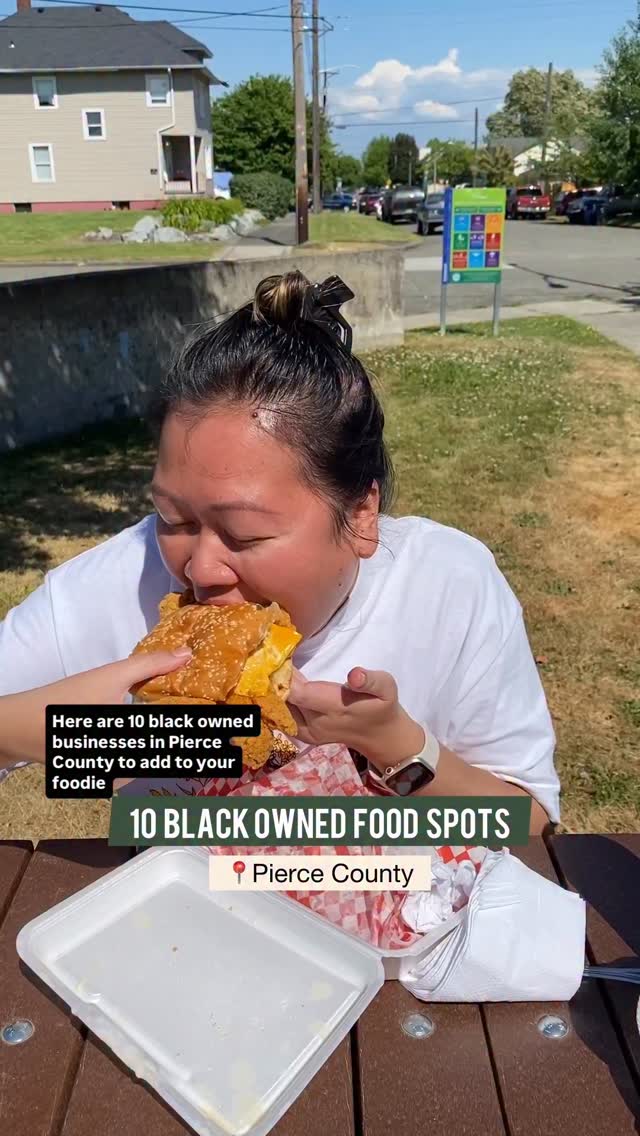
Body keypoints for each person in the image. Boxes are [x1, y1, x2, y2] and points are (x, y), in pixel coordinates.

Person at [0, 271, 560, 830]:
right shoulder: (117, 582)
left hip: (396, 882)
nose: (200, 569)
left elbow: (530, 826)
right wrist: (78, 737)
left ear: (361, 515)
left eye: (244, 534)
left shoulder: (447, 584)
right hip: (176, 885)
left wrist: (397, 747)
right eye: (175, 519)